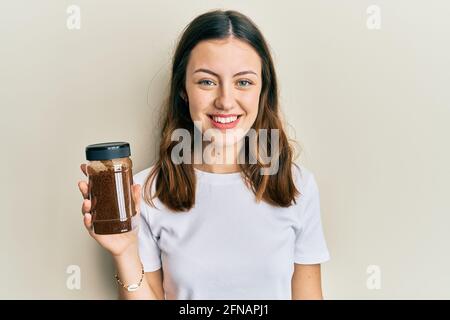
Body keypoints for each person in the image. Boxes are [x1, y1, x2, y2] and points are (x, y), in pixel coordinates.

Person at [78, 9, 330, 300]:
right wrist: (124, 251)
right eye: (207, 81)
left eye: (244, 82)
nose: (225, 100)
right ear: (183, 91)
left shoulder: (298, 187)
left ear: (263, 92)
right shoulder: (144, 192)